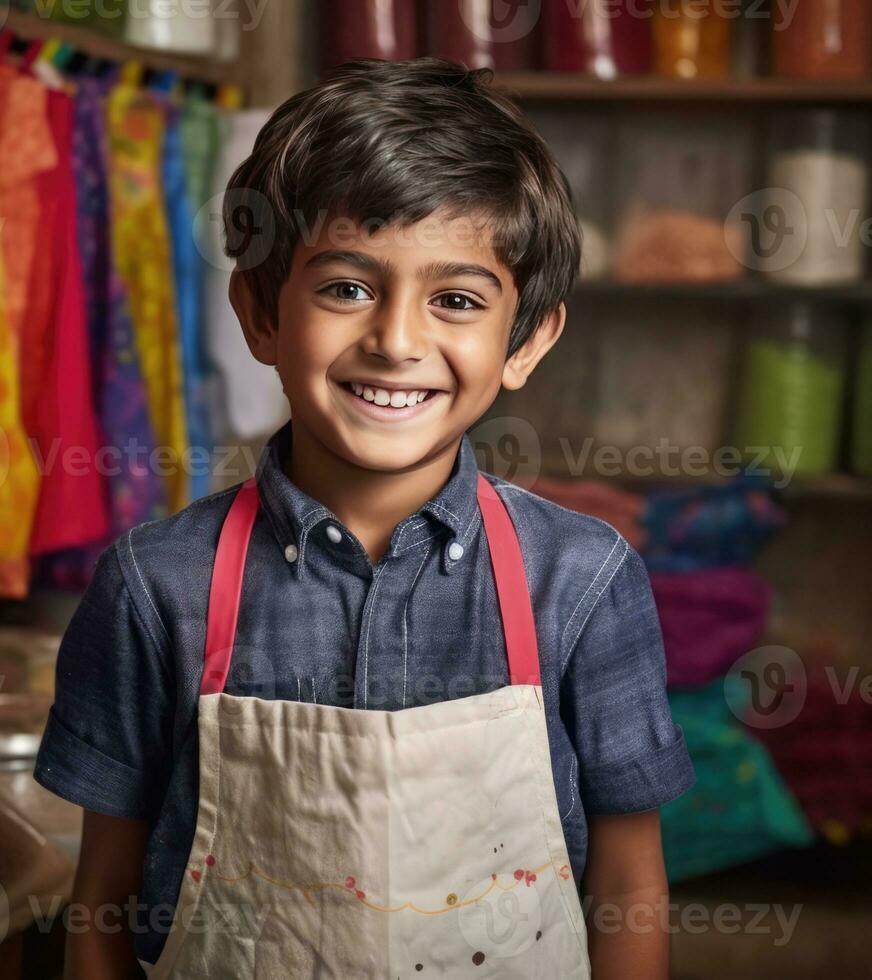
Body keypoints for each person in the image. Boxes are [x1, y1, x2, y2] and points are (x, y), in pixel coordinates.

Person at [39, 58, 694, 979]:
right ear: (260, 315)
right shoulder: (158, 586)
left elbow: (629, 882)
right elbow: (101, 901)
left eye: (457, 300)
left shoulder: (581, 582)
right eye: (345, 288)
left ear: (527, 339)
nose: (395, 340)